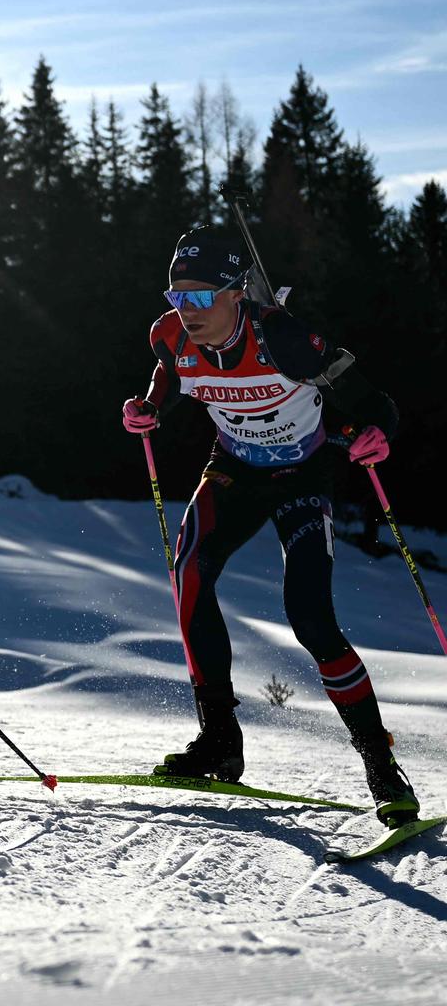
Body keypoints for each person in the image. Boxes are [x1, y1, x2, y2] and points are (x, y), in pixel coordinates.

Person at [122, 224, 419, 825]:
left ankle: (381, 763)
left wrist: (376, 435)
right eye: (179, 294)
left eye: (203, 295)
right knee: (190, 582)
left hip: (302, 476)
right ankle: (219, 742)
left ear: (237, 291)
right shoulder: (170, 333)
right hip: (232, 470)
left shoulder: (285, 339)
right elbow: (172, 375)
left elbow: (374, 404)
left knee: (310, 616)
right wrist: (148, 407)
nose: (190, 308)